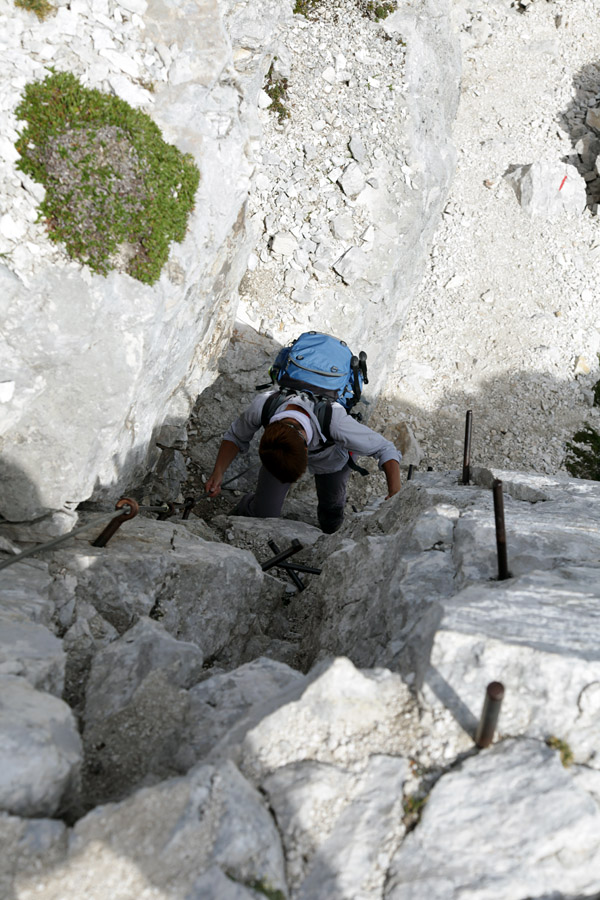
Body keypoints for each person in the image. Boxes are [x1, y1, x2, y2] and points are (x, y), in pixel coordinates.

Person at [205, 389, 402, 534]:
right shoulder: (263, 406)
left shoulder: (337, 423)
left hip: (332, 459)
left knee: (331, 508)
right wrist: (218, 472)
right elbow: (235, 436)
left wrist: (395, 493)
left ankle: (330, 534)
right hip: (280, 458)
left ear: (307, 449)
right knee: (264, 513)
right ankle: (243, 511)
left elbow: (385, 448)